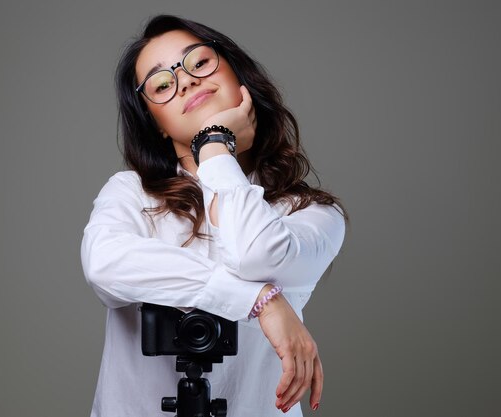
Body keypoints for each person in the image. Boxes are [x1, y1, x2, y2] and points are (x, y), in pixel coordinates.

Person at [80, 14, 348, 417]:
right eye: (162, 85)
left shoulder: (311, 212)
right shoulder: (131, 193)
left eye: (199, 63)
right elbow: (104, 264)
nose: (185, 81)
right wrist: (259, 300)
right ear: (156, 125)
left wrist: (215, 148)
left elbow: (257, 253)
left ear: (237, 72)